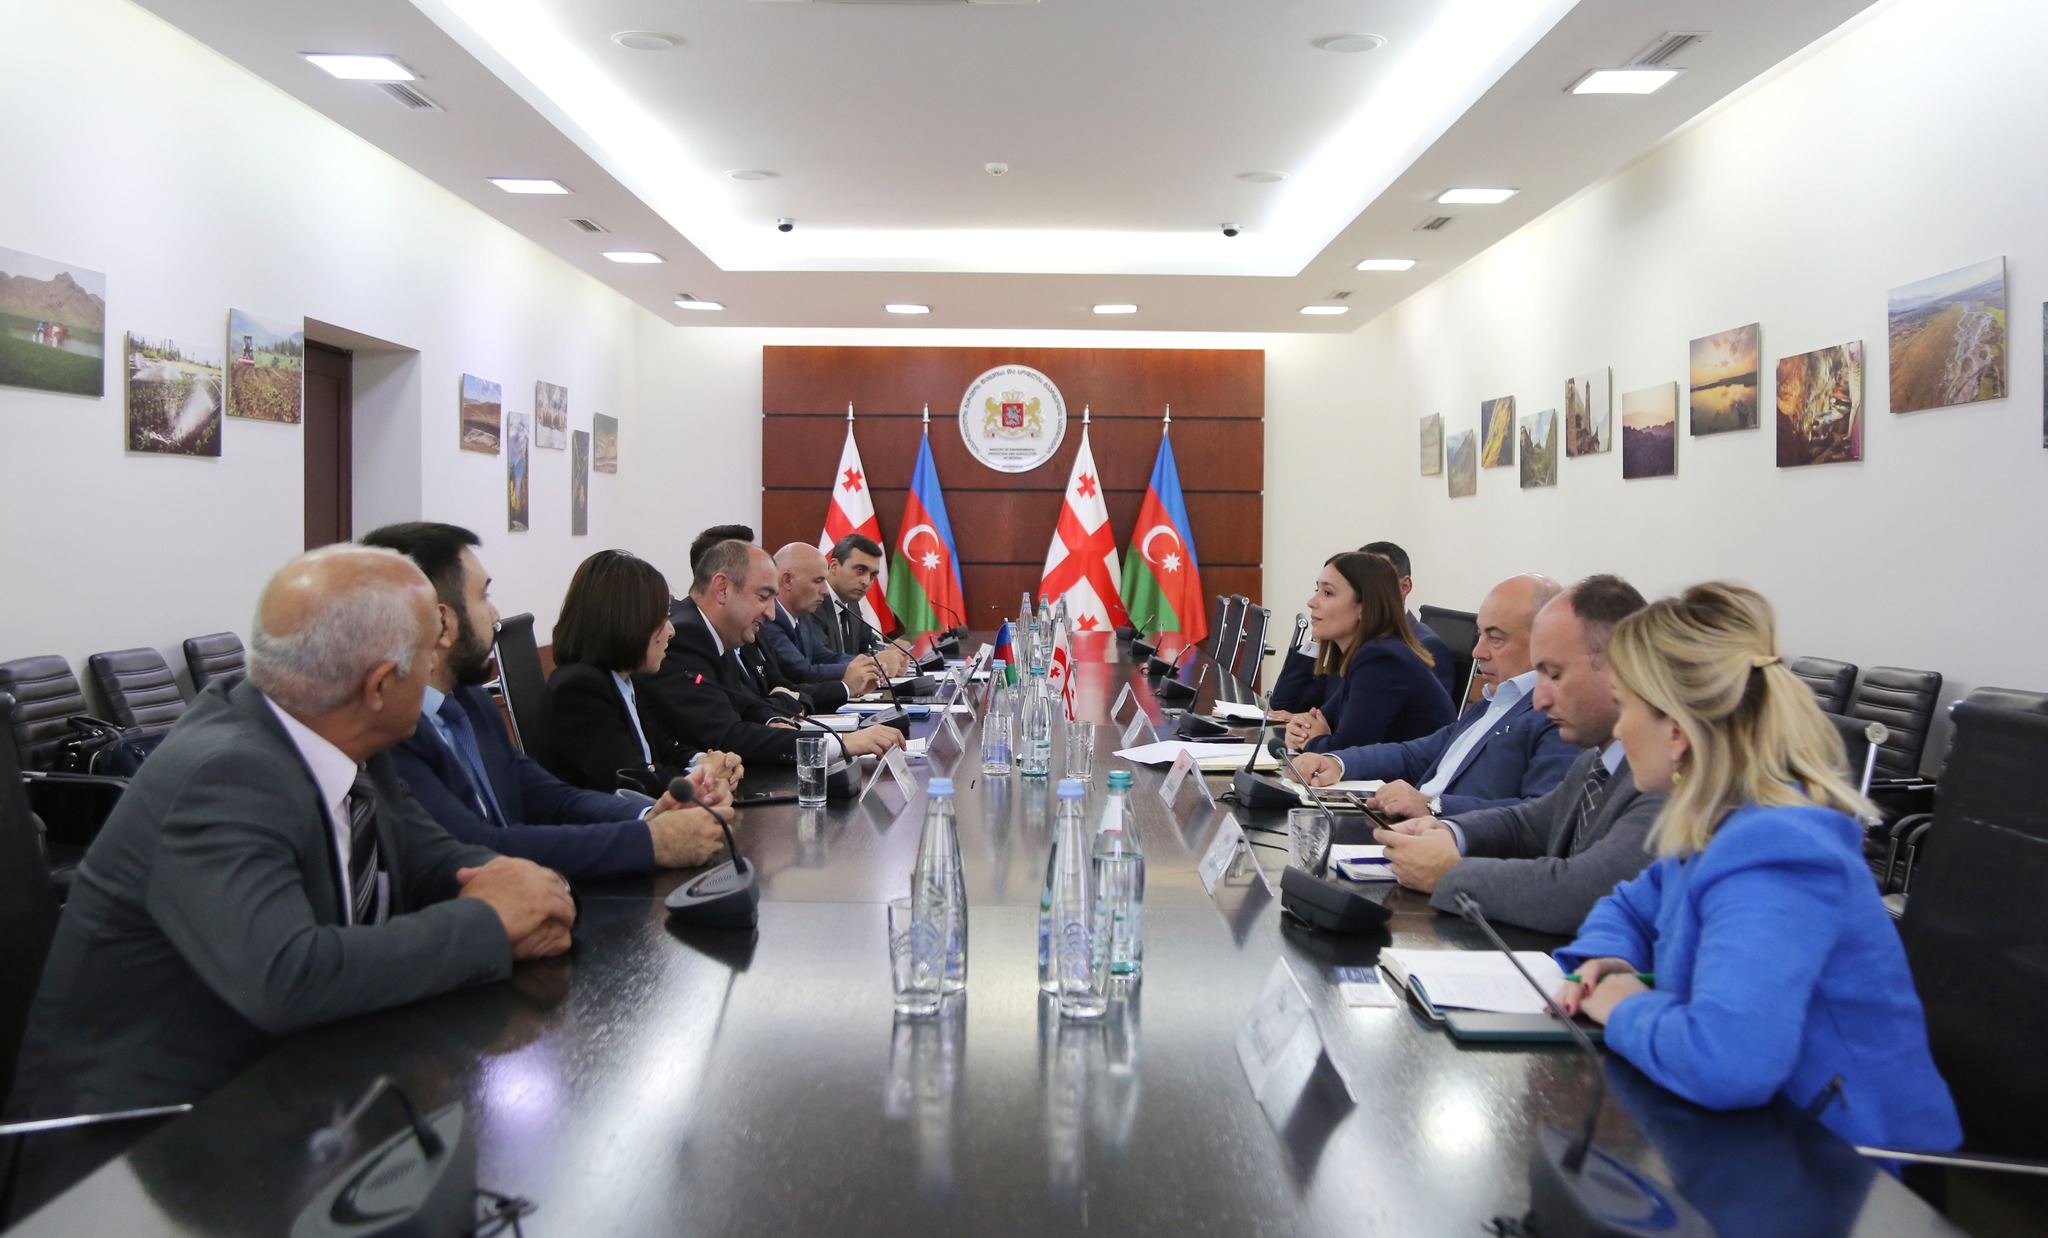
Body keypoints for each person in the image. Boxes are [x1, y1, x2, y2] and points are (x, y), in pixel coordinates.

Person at [4, 546, 576, 1213]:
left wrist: (524, 892)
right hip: (135, 1161)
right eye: (428, 652)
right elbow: (288, 975)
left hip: (294, 1097)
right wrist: (489, 922)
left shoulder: (343, 738)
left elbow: (441, 861)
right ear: (379, 686)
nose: (436, 666)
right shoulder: (223, 776)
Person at [1553, 582, 1962, 1154]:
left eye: (1625, 708)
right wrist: (1611, 959)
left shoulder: (1778, 855)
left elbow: (1726, 1063)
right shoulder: (1718, 823)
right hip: (1765, 1134)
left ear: (1676, 732)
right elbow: (1626, 907)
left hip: (1852, 1164)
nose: (1618, 730)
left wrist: (1623, 1004)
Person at [364, 523, 736, 878]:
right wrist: (651, 840)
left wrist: (648, 815)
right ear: (442, 622)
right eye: (483, 596)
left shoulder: (470, 703)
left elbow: (550, 798)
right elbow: (478, 846)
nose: (495, 615)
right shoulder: (391, 732)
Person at [1364, 575, 1661, 933]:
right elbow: (1528, 825)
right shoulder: (1596, 761)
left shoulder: (1664, 779)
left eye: (1555, 675)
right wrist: (1448, 831)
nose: (1540, 699)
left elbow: (1581, 891)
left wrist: (1447, 873)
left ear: (1619, 669)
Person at [1295, 573, 1574, 818]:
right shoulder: (1495, 700)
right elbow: (1413, 755)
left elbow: (1540, 816)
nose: (1477, 652)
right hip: (1411, 829)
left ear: (1544, 642)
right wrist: (1337, 763)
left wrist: (1433, 806)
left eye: (1495, 638)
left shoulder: (1559, 717)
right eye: (1480, 635)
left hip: (1452, 845)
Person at [645, 539, 905, 766]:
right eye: (763, 597)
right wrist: (842, 743)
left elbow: (749, 706)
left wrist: (771, 719)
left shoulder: (720, 634)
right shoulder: (687, 636)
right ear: (722, 588)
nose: (771, 613)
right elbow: (728, 735)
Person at [537, 549, 708, 793]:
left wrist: (703, 761)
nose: (671, 631)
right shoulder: (579, 690)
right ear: (629, 621)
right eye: (663, 617)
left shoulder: (625, 679)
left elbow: (664, 750)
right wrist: (705, 777)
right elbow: (632, 780)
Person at [1280, 552, 1455, 755]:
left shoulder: (1383, 659)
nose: (1311, 602)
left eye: (1327, 593)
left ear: (1365, 607)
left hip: (1419, 776)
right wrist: (1300, 729)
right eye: (1316, 590)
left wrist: (1312, 741)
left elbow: (1346, 752)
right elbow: (1321, 719)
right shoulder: (1369, 652)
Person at [1270, 540, 1456, 706]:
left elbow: (1423, 731)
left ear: (1404, 586)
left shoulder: (1423, 645)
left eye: (1379, 580)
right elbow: (1286, 704)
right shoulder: (1352, 639)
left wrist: (1320, 728)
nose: (1312, 602)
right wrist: (1317, 638)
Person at [762, 542, 887, 697]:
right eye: (818, 581)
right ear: (787, 580)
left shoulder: (802, 616)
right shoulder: (768, 620)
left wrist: (867, 664)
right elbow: (800, 671)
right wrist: (855, 671)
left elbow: (824, 656)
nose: (826, 591)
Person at [808, 533, 913, 676]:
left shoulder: (850, 603)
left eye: (872, 575)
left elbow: (870, 643)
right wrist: (876, 662)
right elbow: (822, 659)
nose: (866, 582)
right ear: (834, 566)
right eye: (860, 570)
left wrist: (892, 653)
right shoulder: (813, 604)